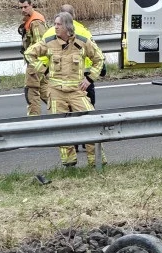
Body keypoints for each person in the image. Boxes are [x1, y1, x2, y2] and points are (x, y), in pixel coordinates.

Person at [24, 11, 106, 168]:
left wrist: (89, 79)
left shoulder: (83, 42)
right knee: (61, 128)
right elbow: (29, 54)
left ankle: (96, 161)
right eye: (54, 24)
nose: (55, 27)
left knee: (91, 122)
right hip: (55, 92)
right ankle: (69, 164)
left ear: (68, 27)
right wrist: (44, 70)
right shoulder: (48, 42)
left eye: (58, 24)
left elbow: (99, 58)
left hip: (77, 91)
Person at [38, 4, 106, 107]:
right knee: (87, 114)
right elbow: (96, 52)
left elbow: (41, 57)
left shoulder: (50, 32)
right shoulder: (83, 30)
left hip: (57, 81)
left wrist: (46, 71)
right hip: (83, 78)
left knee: (61, 115)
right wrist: (95, 73)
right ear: (73, 15)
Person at [18, 0, 50, 117]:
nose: (23, 10)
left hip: (35, 63)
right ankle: (62, 110)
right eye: (21, 7)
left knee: (31, 92)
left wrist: (35, 63)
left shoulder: (35, 22)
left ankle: (34, 119)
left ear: (31, 5)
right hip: (39, 63)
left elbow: (39, 44)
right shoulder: (31, 20)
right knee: (43, 91)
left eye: (25, 7)